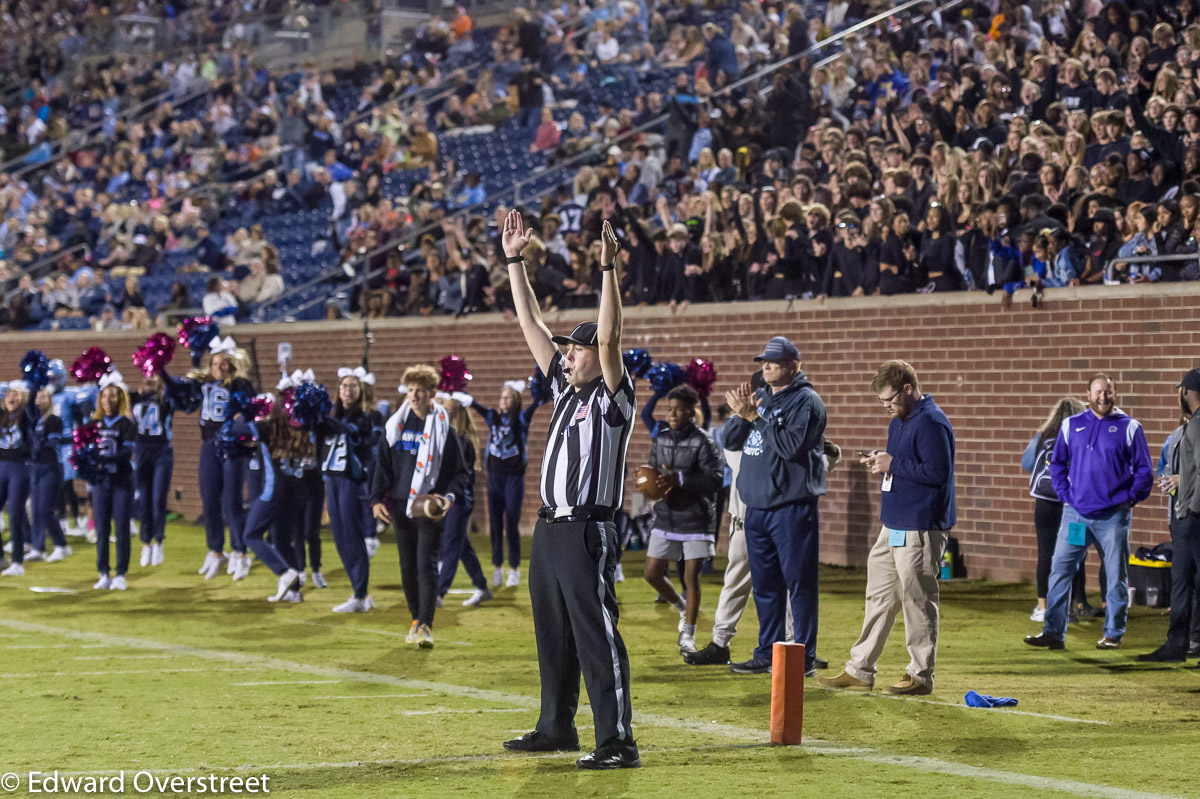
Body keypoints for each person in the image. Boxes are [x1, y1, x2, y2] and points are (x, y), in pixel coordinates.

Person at [499, 211, 640, 770]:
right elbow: (530, 322)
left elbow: (610, 336)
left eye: (573, 351)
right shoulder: (563, 389)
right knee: (552, 632)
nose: (566, 354)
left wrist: (608, 269)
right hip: (551, 526)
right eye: (567, 351)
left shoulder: (611, 396)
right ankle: (556, 726)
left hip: (587, 526)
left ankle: (618, 740)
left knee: (595, 635)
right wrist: (514, 260)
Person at [819, 360, 956, 696]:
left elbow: (938, 473)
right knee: (878, 596)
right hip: (893, 522)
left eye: (889, 399)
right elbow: (909, 465)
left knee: (918, 599)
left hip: (920, 526)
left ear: (908, 389)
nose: (886, 406)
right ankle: (860, 669)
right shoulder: (902, 420)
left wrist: (892, 463)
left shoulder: (931, 422)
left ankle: (921, 675)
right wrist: (882, 459)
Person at [721, 335, 826, 676]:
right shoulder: (762, 397)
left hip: (791, 507)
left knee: (799, 584)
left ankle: (803, 657)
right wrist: (741, 415)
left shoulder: (807, 402)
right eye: (763, 362)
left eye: (772, 362)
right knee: (765, 587)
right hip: (757, 508)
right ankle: (767, 651)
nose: (764, 367)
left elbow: (791, 447)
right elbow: (731, 440)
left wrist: (756, 418)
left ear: (793, 366)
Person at [1025, 374, 1153, 651]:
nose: (1103, 397)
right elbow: (1056, 463)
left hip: (1114, 517)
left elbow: (1144, 470)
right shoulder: (1072, 425)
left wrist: (1131, 497)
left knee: (1115, 574)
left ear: (1115, 393)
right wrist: (1065, 494)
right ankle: (1053, 632)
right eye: (1098, 392)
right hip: (1077, 515)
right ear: (1088, 394)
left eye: (1108, 392)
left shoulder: (1130, 427)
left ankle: (1113, 633)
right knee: (1060, 570)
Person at [370, 364, 470, 649]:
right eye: (410, 390)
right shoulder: (395, 426)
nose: (414, 396)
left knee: (425, 564)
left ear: (432, 394)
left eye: (420, 391)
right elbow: (382, 466)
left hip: (429, 508)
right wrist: (376, 499)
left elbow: (460, 473)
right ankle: (416, 618)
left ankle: (425, 623)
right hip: (401, 507)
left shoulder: (444, 429)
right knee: (406, 566)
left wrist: (447, 498)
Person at [641, 383, 723, 653]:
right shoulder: (661, 438)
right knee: (651, 573)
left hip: (696, 517)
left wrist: (682, 479)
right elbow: (654, 472)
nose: (672, 414)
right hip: (667, 515)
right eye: (670, 409)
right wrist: (646, 483)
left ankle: (688, 633)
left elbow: (715, 480)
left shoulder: (703, 441)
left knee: (691, 577)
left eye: (679, 410)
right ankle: (680, 606)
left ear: (691, 412)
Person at [171, 337, 256, 581]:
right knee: (209, 500)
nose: (218, 367)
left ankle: (240, 552)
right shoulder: (203, 384)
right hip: (208, 445)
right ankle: (216, 551)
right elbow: (180, 388)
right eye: (215, 363)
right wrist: (163, 368)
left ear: (231, 364)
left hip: (232, 447)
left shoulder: (240, 384)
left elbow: (249, 412)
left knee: (232, 502)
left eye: (223, 363)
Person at [453, 380, 545, 589]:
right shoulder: (493, 417)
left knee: (511, 521)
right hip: (495, 477)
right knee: (496, 524)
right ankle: (497, 568)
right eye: (502, 397)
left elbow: (532, 408)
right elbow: (479, 409)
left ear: (515, 400)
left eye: (508, 397)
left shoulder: (520, 419)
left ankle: (513, 569)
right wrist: (470, 401)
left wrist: (539, 398)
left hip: (513, 478)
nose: (503, 400)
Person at [1139, 369, 1200, 662]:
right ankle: (1177, 645)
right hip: (1185, 516)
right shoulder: (1185, 430)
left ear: (1187, 393)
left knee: (1187, 581)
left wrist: (1191, 507)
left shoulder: (1197, 426)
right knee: (1182, 581)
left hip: (1192, 517)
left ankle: (1184, 643)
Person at [323, 367, 384, 614]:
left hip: (352, 480)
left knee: (352, 536)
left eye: (352, 386)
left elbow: (370, 447)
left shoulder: (368, 417)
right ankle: (359, 593)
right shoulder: (332, 415)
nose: (348, 390)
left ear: (361, 391)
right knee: (339, 538)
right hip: (332, 480)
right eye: (344, 386)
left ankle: (360, 594)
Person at [1021, 397, 1086, 622]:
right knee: (1074, 552)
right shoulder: (1081, 436)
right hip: (1074, 504)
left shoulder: (1043, 437)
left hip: (1045, 504)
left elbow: (1027, 463)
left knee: (1045, 553)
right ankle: (1070, 606)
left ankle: (1042, 607)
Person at [436, 397, 492, 607]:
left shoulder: (463, 440)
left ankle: (439, 593)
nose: (442, 412)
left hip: (459, 501)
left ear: (456, 413)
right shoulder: (446, 436)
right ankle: (482, 587)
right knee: (461, 547)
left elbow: (460, 477)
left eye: (447, 409)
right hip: (448, 500)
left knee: (451, 544)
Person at [89, 372, 136, 590]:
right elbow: (84, 450)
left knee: (122, 529)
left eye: (113, 396)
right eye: (105, 396)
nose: (108, 400)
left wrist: (105, 458)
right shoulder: (93, 423)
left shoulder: (126, 423)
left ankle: (121, 573)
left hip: (121, 481)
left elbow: (127, 451)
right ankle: (103, 572)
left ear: (120, 398)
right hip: (100, 483)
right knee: (101, 529)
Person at [130, 373, 174, 568]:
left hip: (162, 452)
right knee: (144, 499)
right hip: (142, 452)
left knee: (158, 499)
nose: (150, 378)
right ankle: (145, 543)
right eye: (146, 374)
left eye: (154, 375)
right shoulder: (134, 398)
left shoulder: (167, 398)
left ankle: (158, 541)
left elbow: (177, 390)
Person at [26, 388, 69, 563]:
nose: (39, 401)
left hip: (51, 467)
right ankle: (38, 548)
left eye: (43, 397)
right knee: (35, 509)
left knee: (46, 509)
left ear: (49, 400)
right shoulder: (35, 420)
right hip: (36, 467)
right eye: (37, 397)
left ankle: (61, 545)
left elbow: (53, 443)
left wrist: (38, 445)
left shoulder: (54, 420)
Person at [0, 382, 38, 576]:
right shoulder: (2, 415)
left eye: (15, 395)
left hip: (20, 468)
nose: (11, 397)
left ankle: (17, 562)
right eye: (8, 395)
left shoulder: (26, 416)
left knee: (15, 513)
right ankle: (1, 558)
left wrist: (33, 383)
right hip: (2, 466)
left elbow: (32, 406)